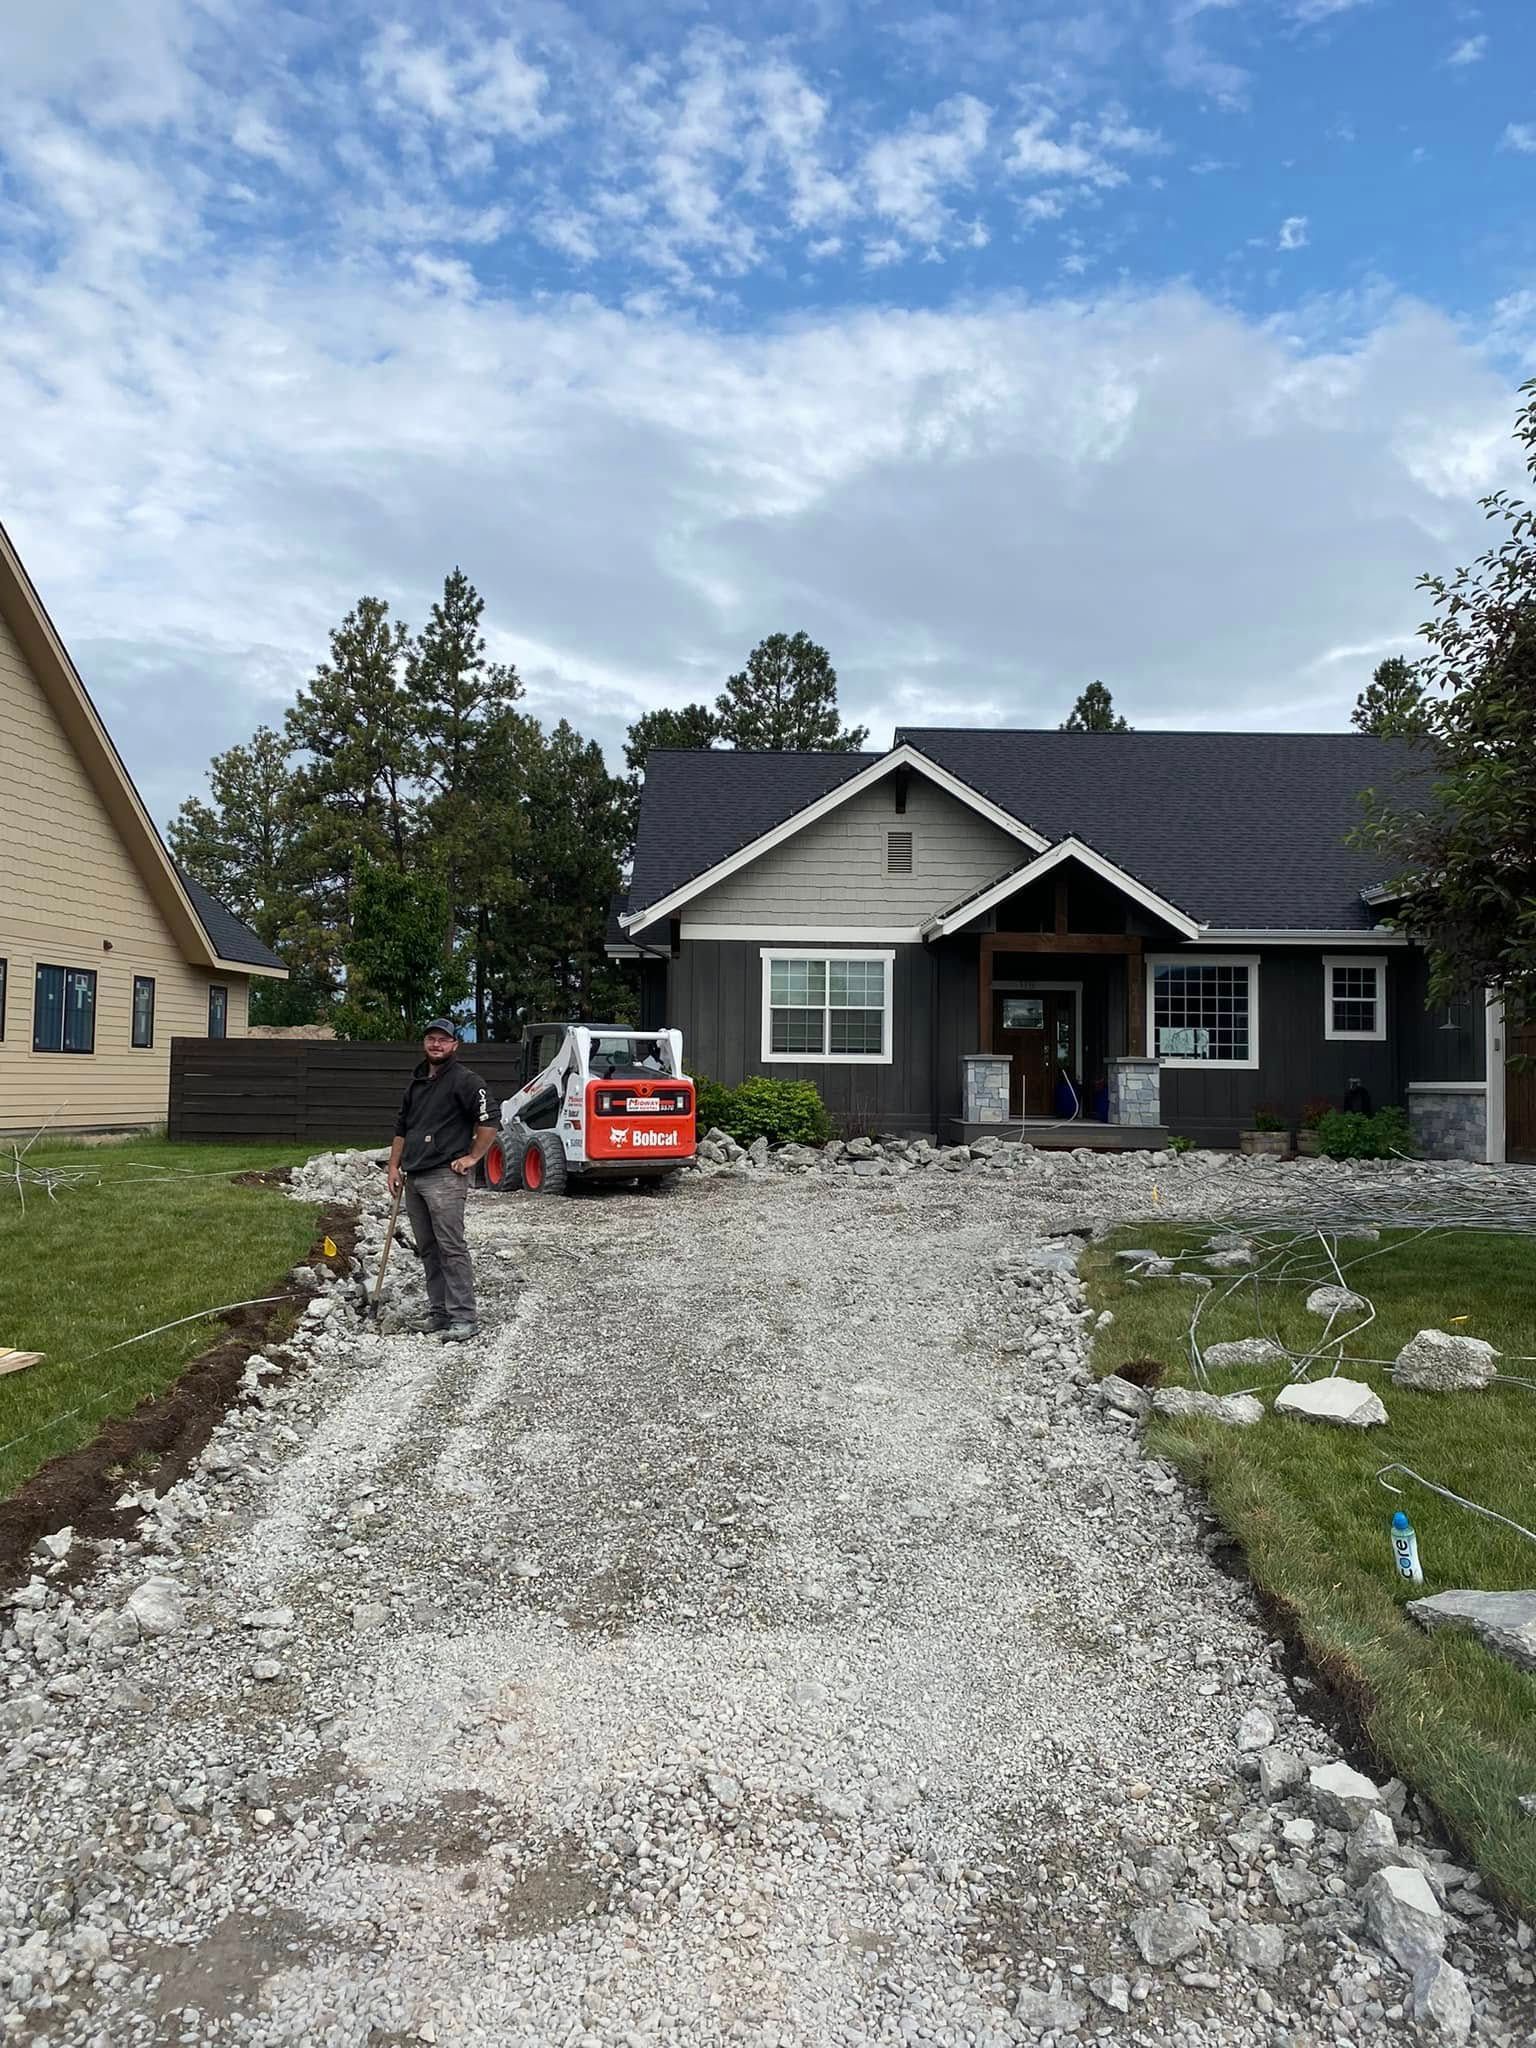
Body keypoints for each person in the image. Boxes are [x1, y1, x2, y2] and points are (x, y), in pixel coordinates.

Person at [387, 1017, 497, 1342]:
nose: (436, 1044)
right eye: (431, 1039)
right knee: (428, 1249)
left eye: (443, 1040)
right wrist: (394, 1167)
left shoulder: (466, 1081)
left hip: (445, 1178)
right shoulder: (417, 1081)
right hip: (414, 1176)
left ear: (454, 1045)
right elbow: (401, 1128)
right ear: (425, 1043)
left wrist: (472, 1157)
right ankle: (439, 1312)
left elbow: (489, 1121)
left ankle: (464, 1317)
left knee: (451, 1248)